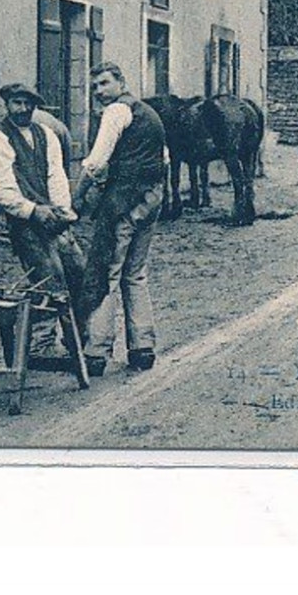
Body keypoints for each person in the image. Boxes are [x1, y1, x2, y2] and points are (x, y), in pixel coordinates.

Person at [0, 82, 85, 354]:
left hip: (52, 217)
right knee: (49, 277)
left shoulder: (45, 134)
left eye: (28, 104)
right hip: (24, 222)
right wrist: (32, 210)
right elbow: (0, 189)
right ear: (7, 105)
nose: (23, 109)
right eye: (17, 103)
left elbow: (56, 175)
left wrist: (61, 210)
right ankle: (40, 344)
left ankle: (78, 338)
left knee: (78, 270)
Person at [78, 61, 168, 377]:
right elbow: (164, 159)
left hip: (124, 201)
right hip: (152, 198)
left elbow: (96, 163)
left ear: (121, 82)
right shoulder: (149, 113)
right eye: (94, 87)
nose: (99, 92)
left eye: (104, 83)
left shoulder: (116, 112)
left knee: (107, 271)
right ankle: (143, 348)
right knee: (136, 272)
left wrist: (78, 197)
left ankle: (96, 352)